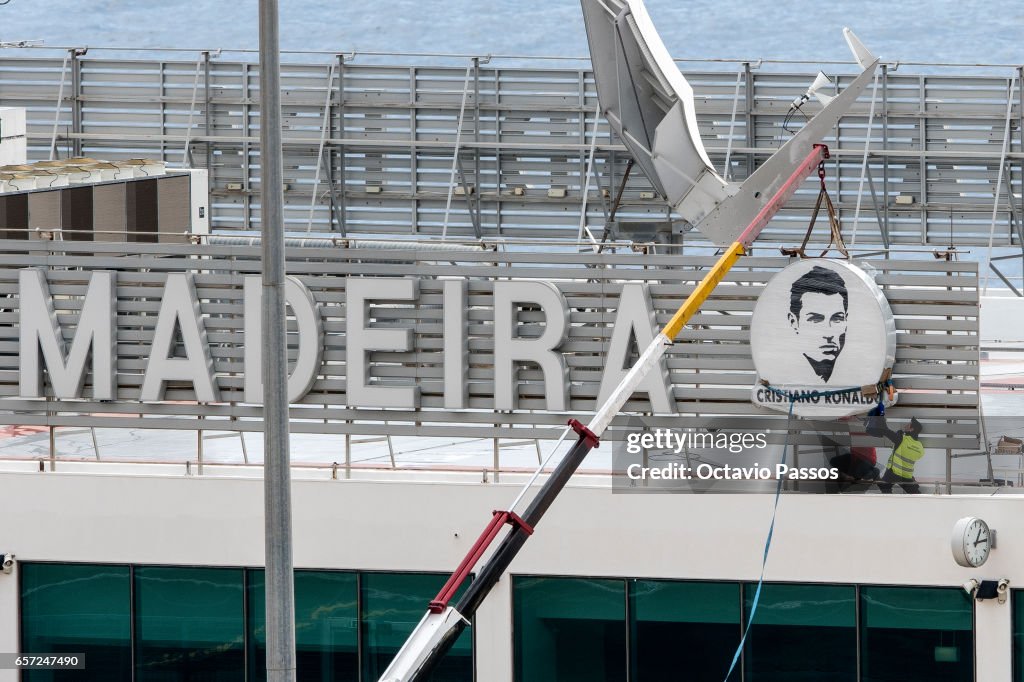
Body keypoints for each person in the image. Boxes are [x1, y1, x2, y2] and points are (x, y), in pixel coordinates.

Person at [787, 266, 848, 383]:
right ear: (794, 322)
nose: (828, 333)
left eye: (837, 319)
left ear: (847, 320)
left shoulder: (857, 373)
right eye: (815, 319)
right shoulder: (783, 375)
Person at [873, 413, 925, 494]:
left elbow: (886, 432)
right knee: (915, 494)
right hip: (907, 476)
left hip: (893, 473)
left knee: (883, 486)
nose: (906, 425)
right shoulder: (919, 446)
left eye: (909, 425)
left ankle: (890, 502)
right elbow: (918, 455)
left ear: (911, 429)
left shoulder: (902, 439)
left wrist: (880, 418)